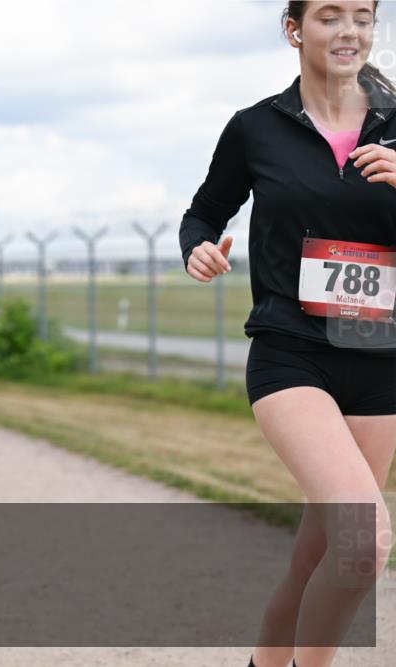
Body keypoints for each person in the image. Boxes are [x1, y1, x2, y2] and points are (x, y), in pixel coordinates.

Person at [179, 3, 395, 665]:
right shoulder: (257, 128)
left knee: (317, 556)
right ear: (296, 29)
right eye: (330, 15)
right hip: (289, 351)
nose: (349, 30)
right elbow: (204, 212)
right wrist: (199, 248)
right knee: (363, 540)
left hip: (380, 357)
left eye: (364, 15)